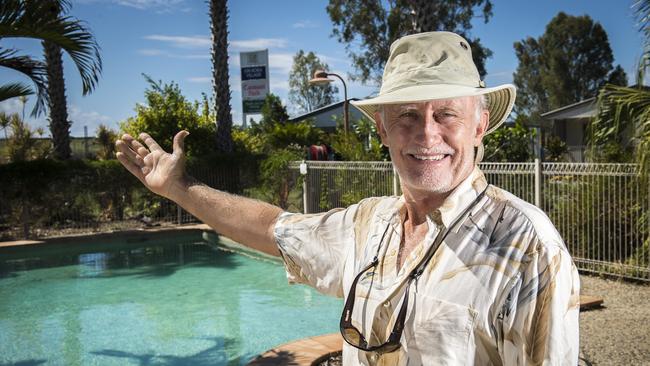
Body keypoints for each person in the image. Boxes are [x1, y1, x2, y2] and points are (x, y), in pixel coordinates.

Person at [116, 31, 580, 365]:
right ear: (381, 129)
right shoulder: (369, 225)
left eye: (446, 114)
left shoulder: (527, 246)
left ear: (479, 125)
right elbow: (274, 228)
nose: (427, 134)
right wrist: (180, 188)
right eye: (406, 116)